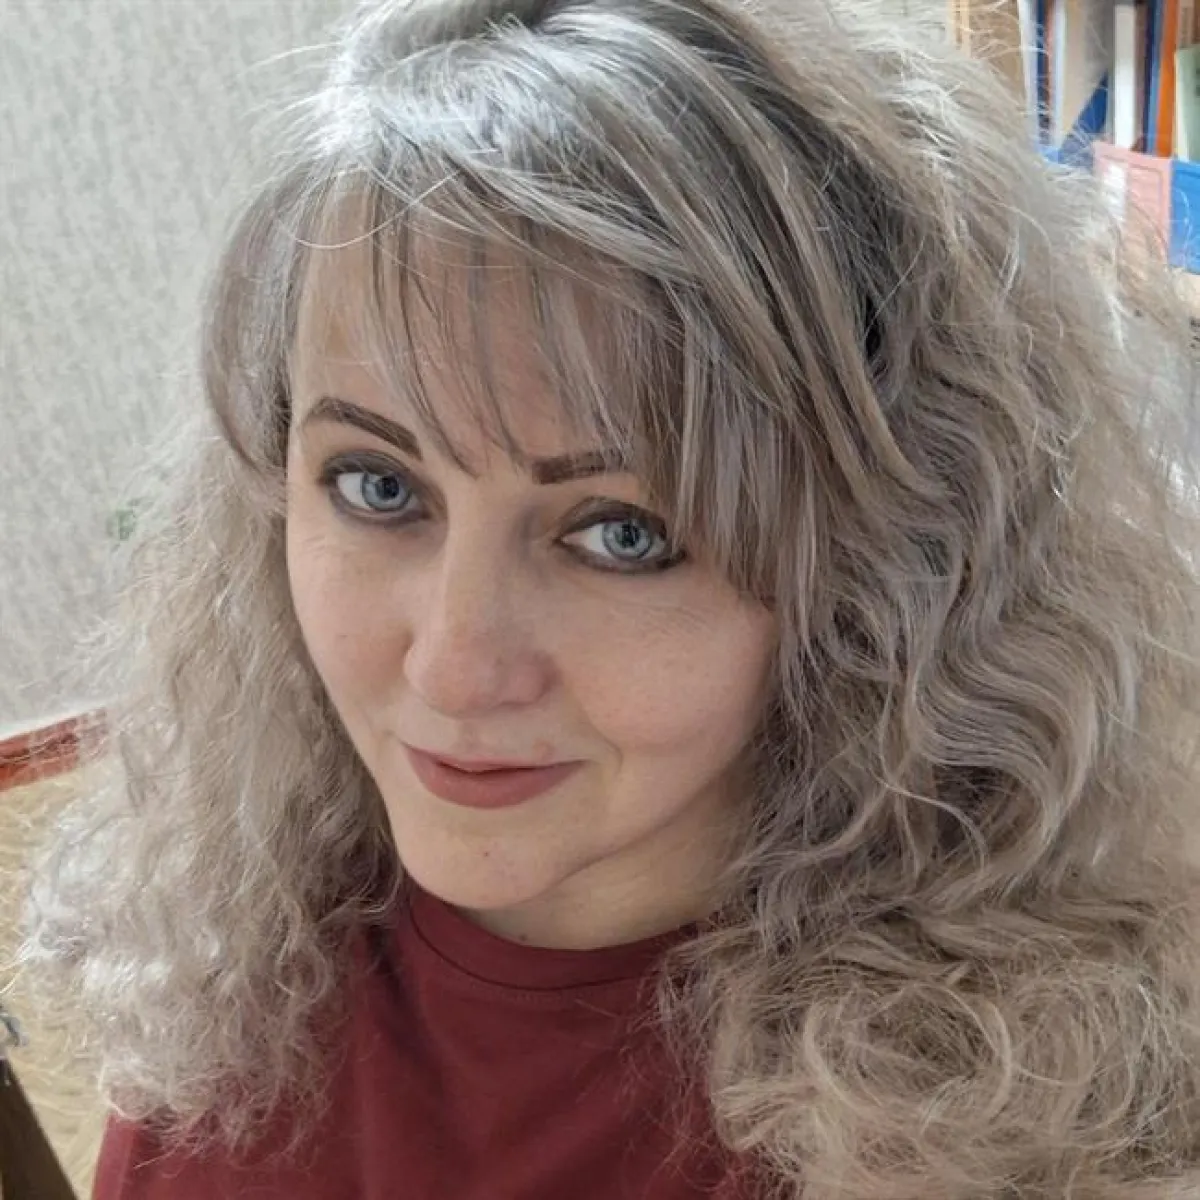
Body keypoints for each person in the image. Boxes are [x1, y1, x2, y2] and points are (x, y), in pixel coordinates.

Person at [18, 0, 1200, 1194]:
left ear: (887, 566)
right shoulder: (232, 982)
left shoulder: (1034, 1127)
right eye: (379, 485)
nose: (452, 667)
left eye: (623, 534)